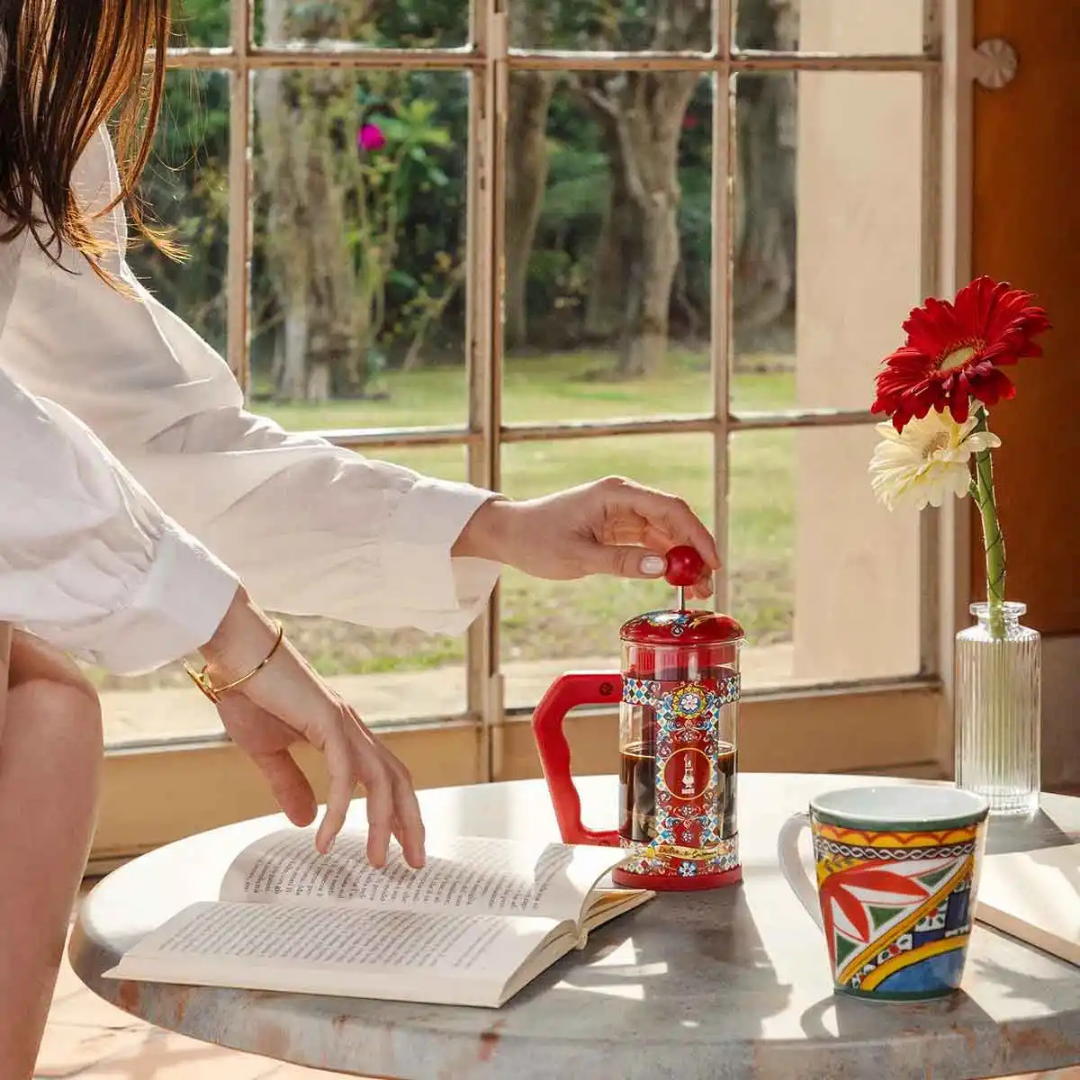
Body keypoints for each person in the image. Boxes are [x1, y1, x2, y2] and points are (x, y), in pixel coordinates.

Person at [0, 1, 720, 1074]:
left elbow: (143, 438)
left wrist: (498, 528)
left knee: (46, 708)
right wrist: (231, 638)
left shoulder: (36, 76)